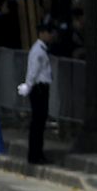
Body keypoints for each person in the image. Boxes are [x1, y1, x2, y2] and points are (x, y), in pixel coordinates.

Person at [19, 24, 55, 165]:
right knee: (37, 123)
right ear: (42, 33)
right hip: (38, 89)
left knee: (40, 123)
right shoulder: (38, 51)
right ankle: (34, 155)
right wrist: (28, 85)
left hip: (41, 88)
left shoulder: (41, 50)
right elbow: (33, 71)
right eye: (49, 33)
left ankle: (38, 153)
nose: (51, 36)